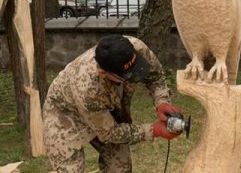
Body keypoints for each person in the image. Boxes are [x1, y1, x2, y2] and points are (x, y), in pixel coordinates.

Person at [43, 34, 183, 173]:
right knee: (71, 170)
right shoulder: (88, 87)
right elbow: (109, 133)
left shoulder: (136, 47)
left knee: (120, 167)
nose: (136, 74)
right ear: (103, 73)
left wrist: (162, 102)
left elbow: (156, 76)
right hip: (65, 114)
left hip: (102, 112)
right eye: (128, 75)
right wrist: (155, 130)